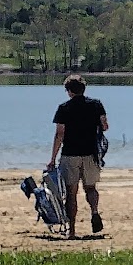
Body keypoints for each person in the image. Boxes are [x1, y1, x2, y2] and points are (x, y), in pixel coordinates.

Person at [48, 75, 109, 234]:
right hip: (91, 154)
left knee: (71, 192)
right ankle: (94, 212)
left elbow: (59, 134)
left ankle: (73, 230)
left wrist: (52, 159)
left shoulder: (64, 108)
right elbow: (105, 125)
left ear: (69, 91)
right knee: (90, 188)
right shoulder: (96, 105)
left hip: (70, 154)